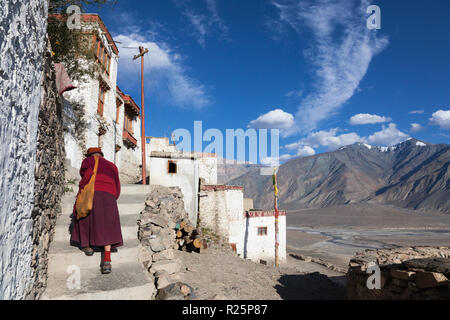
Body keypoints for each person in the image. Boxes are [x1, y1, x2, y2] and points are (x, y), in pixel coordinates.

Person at [70, 147, 123, 274]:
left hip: (93, 193)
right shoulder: (112, 166)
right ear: (101, 155)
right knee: (108, 225)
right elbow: (117, 185)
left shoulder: (88, 161)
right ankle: (107, 261)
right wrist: (112, 197)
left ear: (90, 155)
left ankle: (87, 246)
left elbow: (85, 175)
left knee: (83, 216)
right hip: (109, 195)